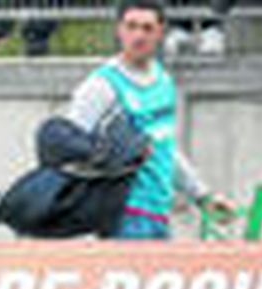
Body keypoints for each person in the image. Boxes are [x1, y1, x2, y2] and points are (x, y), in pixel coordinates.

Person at [64, 0, 235, 240]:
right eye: (131, 26)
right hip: (123, 215)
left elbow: (165, 148)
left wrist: (202, 195)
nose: (138, 36)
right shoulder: (100, 86)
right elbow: (66, 150)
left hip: (158, 215)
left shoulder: (164, 82)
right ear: (119, 30)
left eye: (147, 28)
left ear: (160, 32)